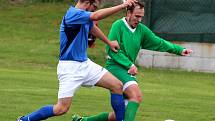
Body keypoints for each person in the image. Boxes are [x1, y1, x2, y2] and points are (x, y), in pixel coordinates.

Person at [16, 0, 137, 121]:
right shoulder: (73, 14)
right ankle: (24, 120)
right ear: (88, 3)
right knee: (61, 109)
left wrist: (109, 42)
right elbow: (96, 16)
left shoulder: (83, 17)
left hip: (85, 64)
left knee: (117, 85)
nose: (94, 9)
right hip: (70, 68)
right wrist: (122, 6)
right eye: (94, 6)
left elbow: (92, 28)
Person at [80, 1, 193, 121]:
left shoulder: (141, 30)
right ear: (128, 13)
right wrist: (129, 64)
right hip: (115, 68)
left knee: (119, 114)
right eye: (136, 16)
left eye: (141, 17)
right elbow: (112, 49)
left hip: (127, 70)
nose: (139, 20)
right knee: (136, 96)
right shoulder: (118, 26)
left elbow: (159, 42)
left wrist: (179, 50)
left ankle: (83, 120)